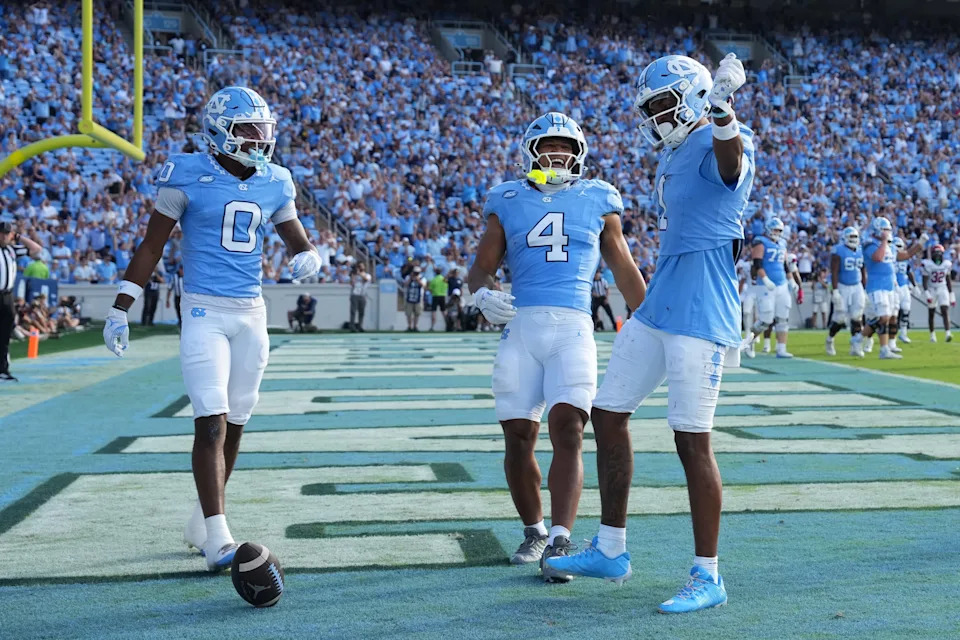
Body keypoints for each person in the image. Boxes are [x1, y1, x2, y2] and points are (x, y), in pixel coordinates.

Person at [545, 54, 754, 613]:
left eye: (664, 103)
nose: (658, 115)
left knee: (692, 441)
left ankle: (708, 575)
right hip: (660, 304)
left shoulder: (723, 136)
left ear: (694, 97)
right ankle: (611, 547)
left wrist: (723, 112)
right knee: (608, 414)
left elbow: (732, 166)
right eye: (652, 107)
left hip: (702, 311)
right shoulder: (673, 153)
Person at [102, 86, 322, 571]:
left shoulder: (276, 180)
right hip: (203, 310)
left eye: (262, 130)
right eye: (248, 129)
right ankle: (219, 538)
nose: (258, 140)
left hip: (252, 313)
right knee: (211, 419)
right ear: (221, 129)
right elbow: (151, 246)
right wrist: (121, 307)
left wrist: (308, 256)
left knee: (237, 422)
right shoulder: (186, 173)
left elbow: (297, 240)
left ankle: (205, 518)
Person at [467, 111, 646, 582]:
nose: (557, 153)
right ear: (531, 151)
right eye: (549, 145)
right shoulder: (506, 198)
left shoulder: (598, 198)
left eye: (566, 146)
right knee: (519, 435)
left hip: (573, 326)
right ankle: (534, 530)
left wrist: (649, 317)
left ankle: (562, 538)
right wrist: (482, 293)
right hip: (521, 326)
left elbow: (624, 268)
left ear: (579, 153)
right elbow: (481, 266)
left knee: (569, 426)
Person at [860, 218, 925, 359]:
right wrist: (883, 242)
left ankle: (859, 338)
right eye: (885, 229)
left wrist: (919, 244)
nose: (888, 232)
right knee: (883, 317)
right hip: (877, 286)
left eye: (888, 230)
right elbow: (877, 257)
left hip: (889, 286)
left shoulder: (889, 246)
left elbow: (905, 255)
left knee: (886, 318)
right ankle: (883, 350)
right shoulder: (869, 244)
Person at [740, 217, 797, 358]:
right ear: (768, 229)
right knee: (765, 320)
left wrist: (792, 281)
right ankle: (749, 342)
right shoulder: (760, 241)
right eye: (775, 229)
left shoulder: (782, 243)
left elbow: (785, 265)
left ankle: (781, 349)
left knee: (783, 318)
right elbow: (757, 264)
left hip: (782, 284)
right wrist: (765, 279)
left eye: (779, 230)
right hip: (765, 286)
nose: (777, 232)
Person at [0, 221, 43, 381]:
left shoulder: (12, 249)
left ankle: (2, 369)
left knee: (4, 334)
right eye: (2, 233)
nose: (4, 236)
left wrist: (18, 236)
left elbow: (37, 249)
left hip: (7, 296)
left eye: (7, 233)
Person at [825, 227, 867, 356]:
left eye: (855, 237)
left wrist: (865, 289)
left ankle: (855, 345)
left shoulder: (861, 250)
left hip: (857, 285)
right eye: (851, 237)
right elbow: (835, 272)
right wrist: (835, 290)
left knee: (857, 316)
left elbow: (863, 271)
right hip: (842, 286)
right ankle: (830, 339)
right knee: (840, 318)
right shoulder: (839, 250)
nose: (854, 240)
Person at [921, 243, 954, 342]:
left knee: (945, 310)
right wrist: (927, 293)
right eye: (936, 253)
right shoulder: (928, 264)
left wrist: (951, 294)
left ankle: (948, 333)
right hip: (932, 288)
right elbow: (925, 280)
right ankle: (932, 335)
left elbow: (948, 279)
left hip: (942, 288)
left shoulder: (947, 264)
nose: (938, 255)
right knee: (931, 312)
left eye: (939, 253)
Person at [893, 238, 920, 346]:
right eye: (897, 246)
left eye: (900, 246)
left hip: (904, 286)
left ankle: (903, 333)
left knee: (906, 309)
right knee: (893, 313)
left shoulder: (905, 259)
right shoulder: (890, 258)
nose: (899, 249)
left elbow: (909, 272)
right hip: (893, 287)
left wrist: (915, 285)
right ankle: (891, 336)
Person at [349, 262, 371, 332]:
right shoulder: (355, 275)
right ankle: (352, 327)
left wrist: (359, 274)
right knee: (353, 311)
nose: (360, 268)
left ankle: (360, 326)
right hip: (354, 294)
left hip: (362, 295)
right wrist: (353, 276)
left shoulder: (367, 275)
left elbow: (366, 279)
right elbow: (352, 284)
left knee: (362, 312)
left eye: (361, 266)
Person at [403, 266, 426, 331]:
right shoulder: (408, 277)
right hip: (409, 297)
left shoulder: (422, 278)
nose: (416, 274)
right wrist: (411, 278)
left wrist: (418, 279)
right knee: (408, 313)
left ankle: (415, 326)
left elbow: (423, 285)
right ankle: (409, 326)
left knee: (417, 313)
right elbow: (405, 284)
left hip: (418, 298)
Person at [165, 263, 185, 328]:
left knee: (184, 311)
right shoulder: (174, 277)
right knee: (178, 310)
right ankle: (180, 322)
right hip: (177, 297)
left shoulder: (186, 277)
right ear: (179, 270)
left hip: (184, 297)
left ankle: (184, 323)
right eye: (182, 270)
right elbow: (170, 288)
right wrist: (167, 300)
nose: (182, 272)